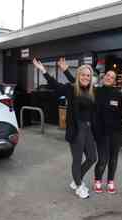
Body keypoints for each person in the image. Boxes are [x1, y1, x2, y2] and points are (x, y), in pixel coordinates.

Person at [33, 58, 97, 199]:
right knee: (77, 159)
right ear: (79, 76)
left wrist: (66, 70)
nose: (86, 77)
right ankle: (79, 186)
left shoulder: (91, 91)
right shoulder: (71, 89)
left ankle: (76, 180)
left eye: (88, 75)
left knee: (92, 157)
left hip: (88, 129)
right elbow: (55, 85)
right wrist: (43, 70)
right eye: (83, 75)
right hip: (76, 129)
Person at [59, 61, 122, 194]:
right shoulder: (96, 90)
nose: (109, 78)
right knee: (89, 159)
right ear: (103, 77)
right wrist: (65, 71)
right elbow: (78, 83)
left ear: (114, 81)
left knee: (102, 158)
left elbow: (121, 111)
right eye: (107, 75)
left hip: (103, 130)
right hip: (88, 130)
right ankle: (86, 183)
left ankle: (83, 179)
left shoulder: (111, 93)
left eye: (112, 77)